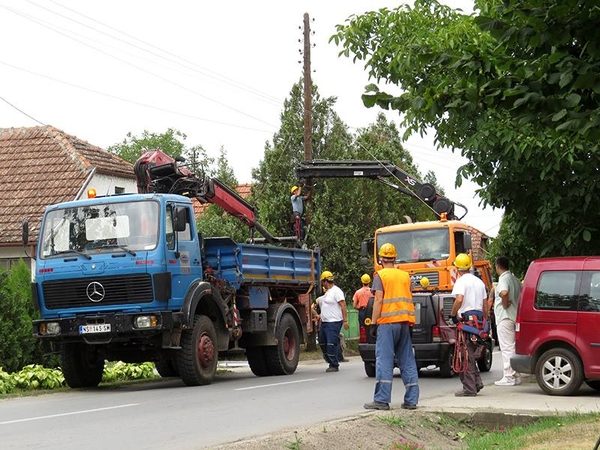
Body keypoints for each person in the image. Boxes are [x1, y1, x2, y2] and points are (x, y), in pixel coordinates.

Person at [364, 243, 419, 411]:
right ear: (394, 258)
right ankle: (411, 400)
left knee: (384, 360)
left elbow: (378, 300)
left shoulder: (380, 276)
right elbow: (410, 298)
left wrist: (373, 323)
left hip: (387, 324)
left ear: (381, 259)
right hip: (404, 322)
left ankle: (381, 400)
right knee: (407, 360)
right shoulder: (405, 276)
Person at [450, 253, 489, 397]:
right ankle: (476, 383)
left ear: (457, 267)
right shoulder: (479, 282)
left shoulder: (461, 282)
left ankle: (469, 388)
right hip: (478, 322)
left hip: (466, 321)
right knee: (470, 354)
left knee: (465, 355)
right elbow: (485, 305)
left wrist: (453, 315)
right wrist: (485, 321)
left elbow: (459, 299)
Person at [493, 256, 522, 386]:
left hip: (505, 316)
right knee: (513, 347)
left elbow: (504, 293)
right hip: (515, 316)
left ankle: (509, 376)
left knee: (507, 348)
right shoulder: (515, 279)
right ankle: (516, 374)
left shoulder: (503, 279)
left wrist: (504, 304)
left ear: (497, 266)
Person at [312, 270, 349, 373]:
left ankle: (334, 364)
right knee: (322, 342)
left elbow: (343, 305)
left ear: (325, 281)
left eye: (322, 282)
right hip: (324, 322)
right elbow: (321, 302)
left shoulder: (337, 291)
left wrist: (345, 320)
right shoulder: (327, 293)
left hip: (334, 322)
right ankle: (333, 359)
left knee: (331, 343)